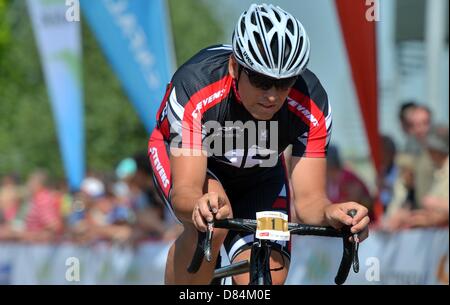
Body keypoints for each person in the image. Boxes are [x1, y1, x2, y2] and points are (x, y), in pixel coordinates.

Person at [148, 3, 369, 285]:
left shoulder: (311, 103)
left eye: (284, 82)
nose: (273, 96)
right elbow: (186, 191)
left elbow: (310, 201)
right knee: (211, 228)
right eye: (261, 80)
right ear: (234, 67)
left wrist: (332, 213)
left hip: (259, 174)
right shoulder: (196, 84)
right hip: (195, 166)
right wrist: (198, 205)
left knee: (265, 281)